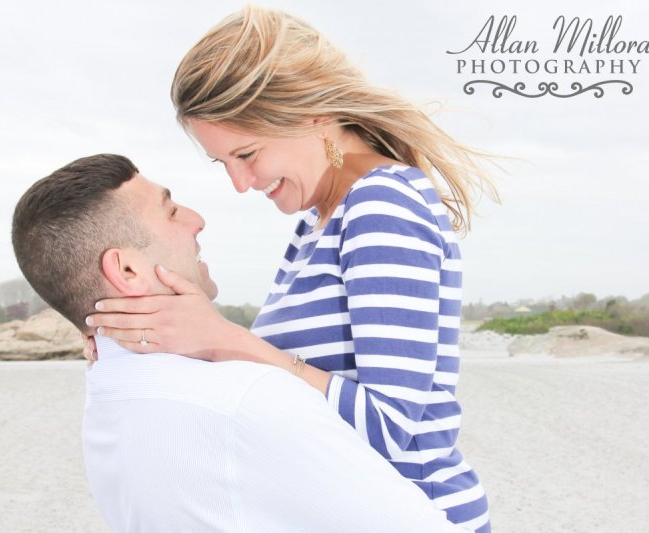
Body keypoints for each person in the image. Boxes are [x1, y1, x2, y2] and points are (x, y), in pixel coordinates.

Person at [85, 6, 496, 532]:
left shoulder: (381, 205)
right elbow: (287, 390)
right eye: (223, 163)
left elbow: (390, 427)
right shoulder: (318, 223)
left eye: (247, 153)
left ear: (312, 113)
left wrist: (224, 339)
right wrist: (137, 336)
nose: (240, 182)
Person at [11, 153, 467, 532]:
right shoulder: (247, 401)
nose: (197, 220)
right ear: (128, 272)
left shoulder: (107, 402)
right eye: (171, 210)